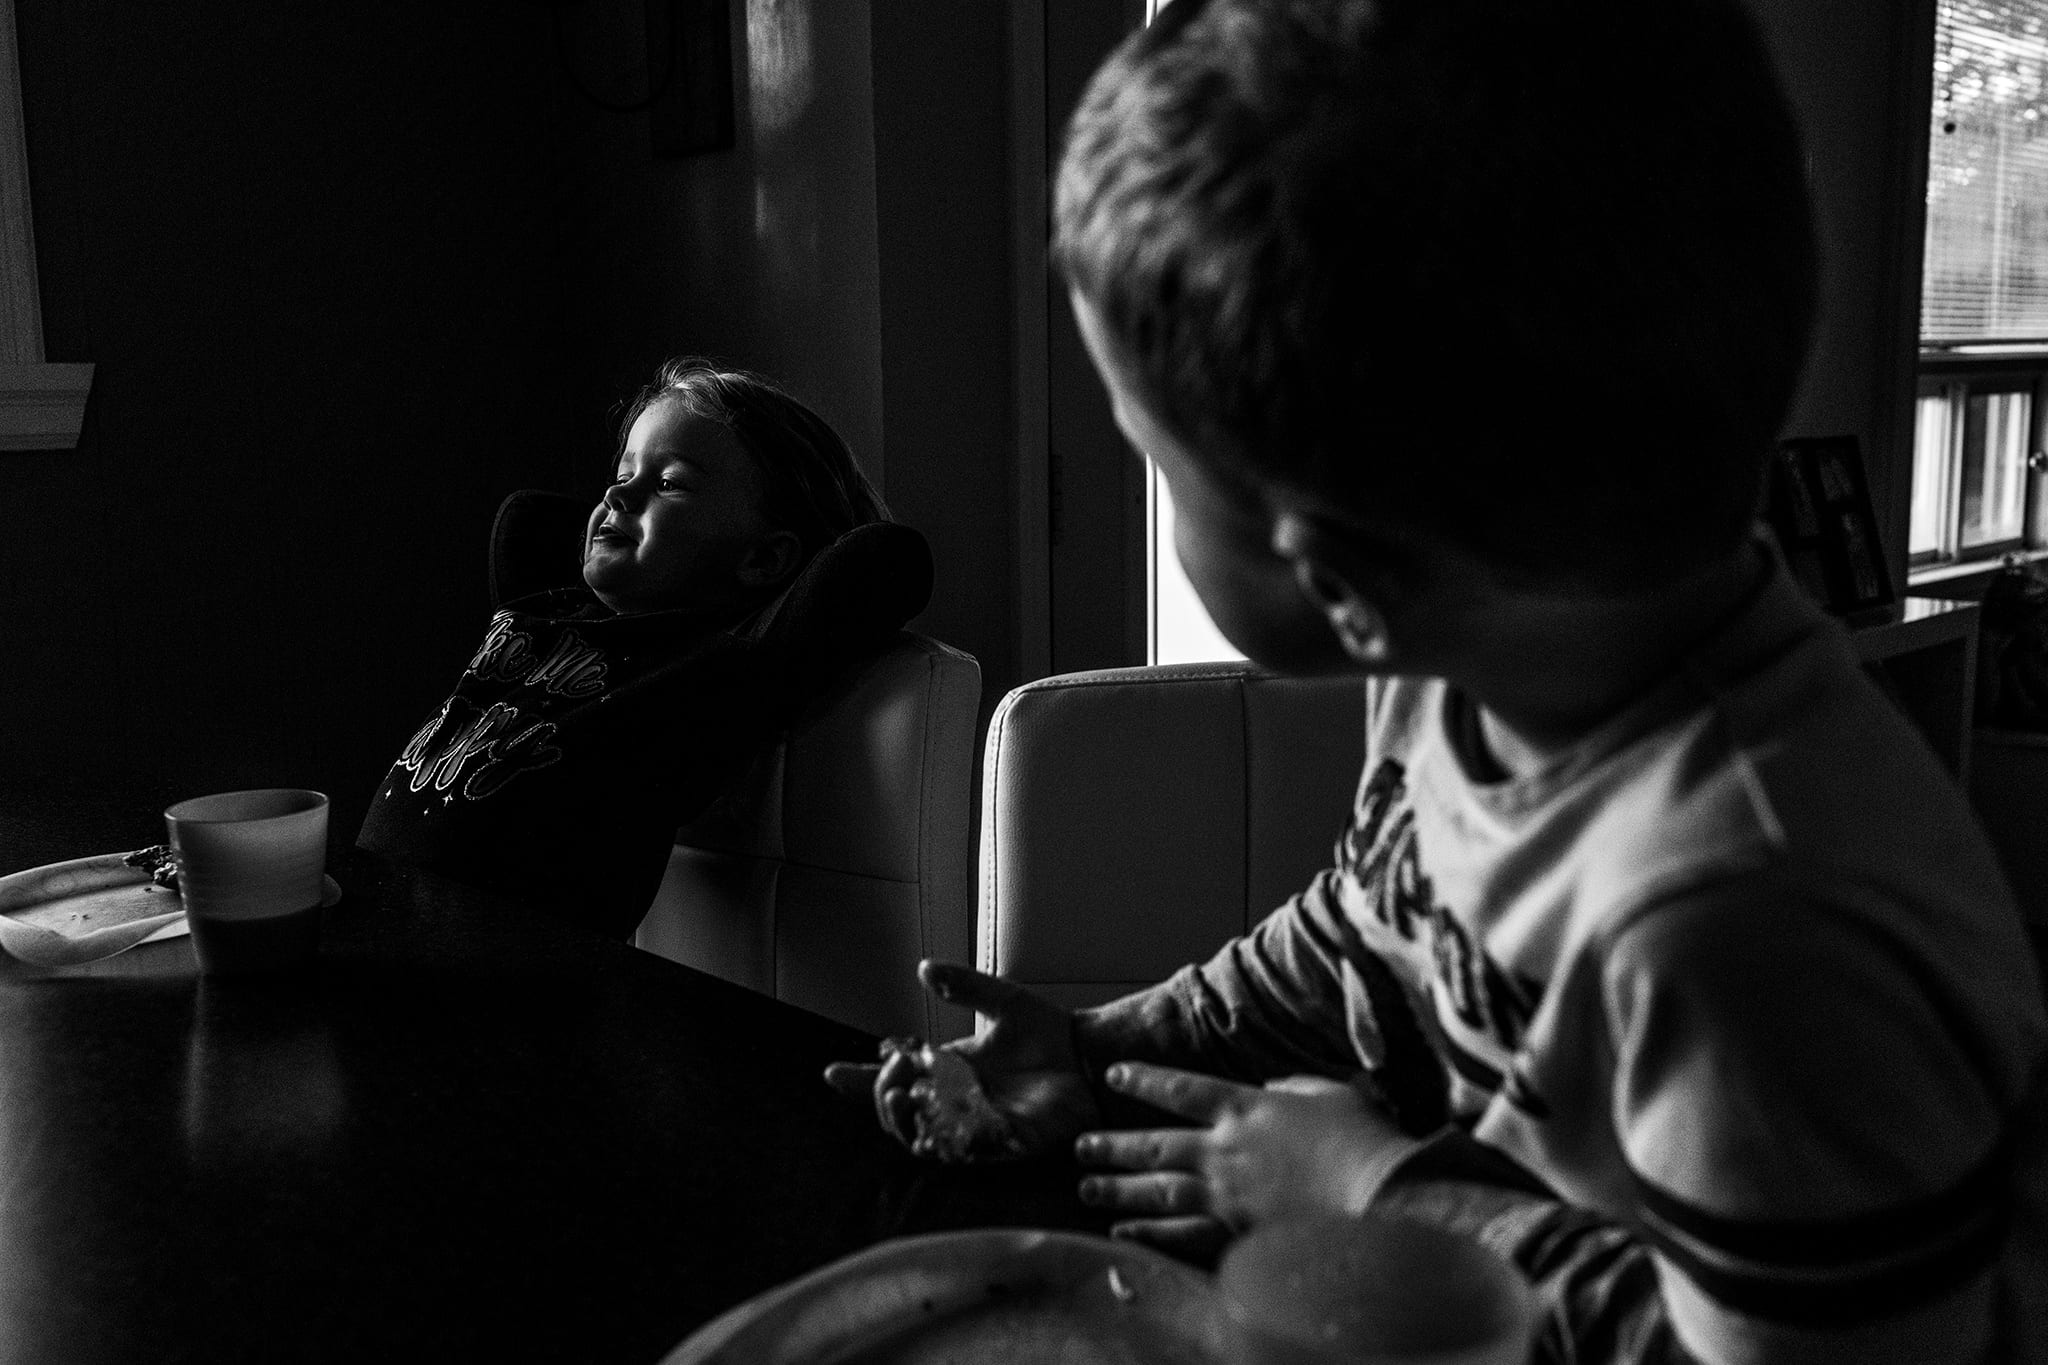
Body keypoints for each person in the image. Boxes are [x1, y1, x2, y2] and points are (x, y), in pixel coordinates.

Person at [826, 1, 2048, 1360]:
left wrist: (1370, 1190)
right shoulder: (1469, 666)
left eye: (1154, 461)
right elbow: (1368, 929)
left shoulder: (1746, 922)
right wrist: (1099, 1049)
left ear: (1337, 579)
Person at [356, 358, 910, 938]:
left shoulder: (715, 667)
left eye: (669, 482)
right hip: (363, 922)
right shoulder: (548, 614)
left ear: (763, 559)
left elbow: (884, 561)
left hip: (493, 979)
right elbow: (527, 517)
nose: (618, 492)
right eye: (622, 471)